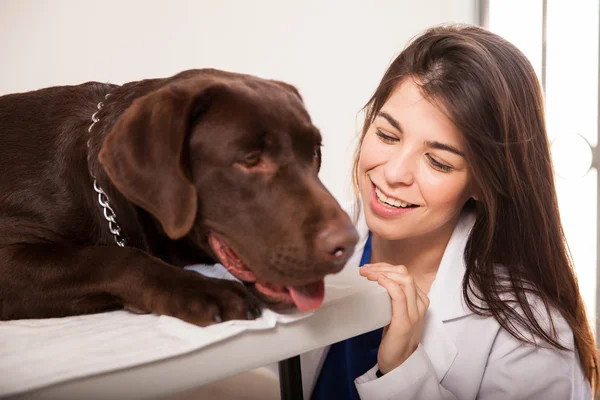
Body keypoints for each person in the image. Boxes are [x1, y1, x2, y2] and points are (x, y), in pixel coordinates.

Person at [303, 24, 599, 399]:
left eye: (439, 162)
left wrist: (404, 373)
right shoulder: (311, 243)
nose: (394, 173)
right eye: (387, 136)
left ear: (482, 182)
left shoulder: (528, 333)